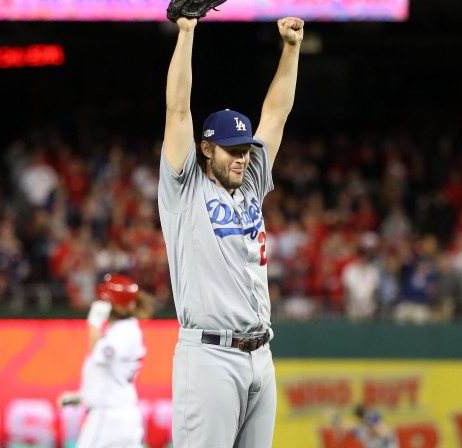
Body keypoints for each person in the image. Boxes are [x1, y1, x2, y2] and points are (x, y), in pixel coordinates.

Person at [158, 14, 304, 448]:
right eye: (232, 151)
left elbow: (275, 115)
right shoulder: (185, 188)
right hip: (209, 357)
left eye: (244, 151)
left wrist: (292, 49)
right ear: (206, 148)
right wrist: (186, 33)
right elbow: (177, 108)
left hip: (261, 354)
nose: (241, 158)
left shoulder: (251, 186)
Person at [57, 274, 154, 448]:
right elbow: (108, 374)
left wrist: (94, 324)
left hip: (109, 418)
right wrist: (82, 396)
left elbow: (99, 354)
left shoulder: (124, 331)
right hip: (118, 413)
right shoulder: (123, 329)